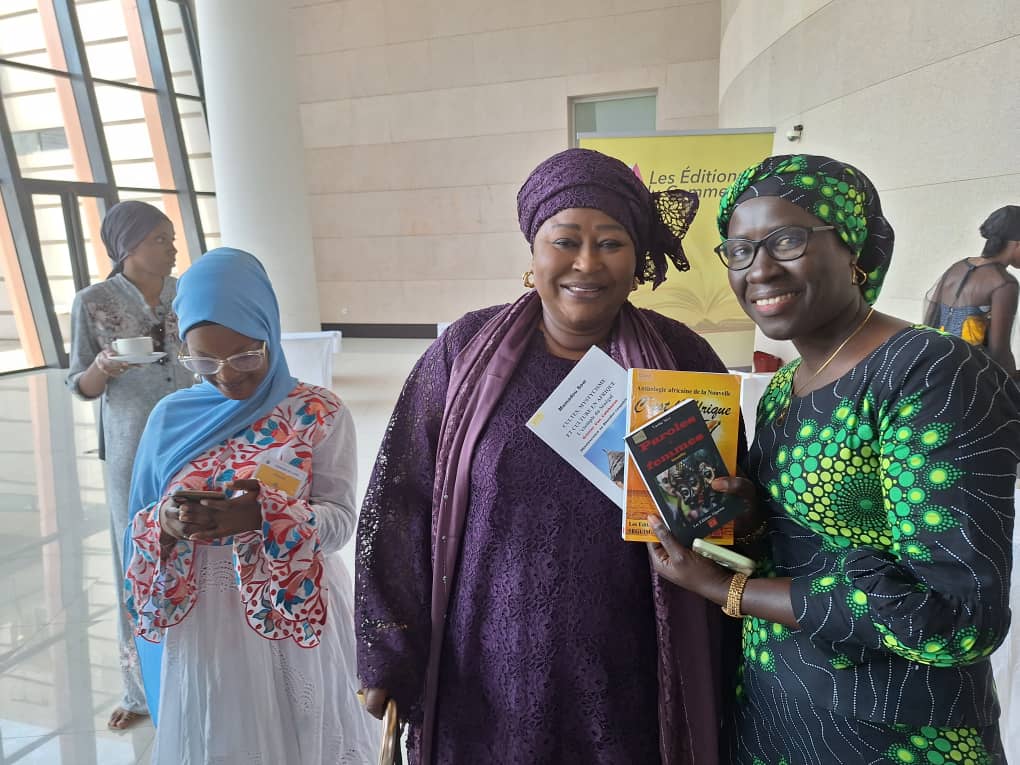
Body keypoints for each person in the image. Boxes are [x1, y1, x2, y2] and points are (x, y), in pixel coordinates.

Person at [355, 147, 740, 765]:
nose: (586, 263)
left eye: (611, 242)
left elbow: (728, 517)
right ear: (533, 251)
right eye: (565, 240)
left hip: (630, 669)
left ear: (637, 257)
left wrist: (733, 505)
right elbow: (400, 501)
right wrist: (387, 650)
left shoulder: (680, 355)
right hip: (481, 670)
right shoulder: (463, 352)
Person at [648, 154, 1020, 764]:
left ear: (854, 249)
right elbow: (807, 542)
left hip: (892, 733)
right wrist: (747, 518)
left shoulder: (932, 372)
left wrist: (728, 589)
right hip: (772, 712)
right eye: (738, 250)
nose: (759, 269)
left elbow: (956, 616)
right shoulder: (786, 384)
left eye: (786, 240)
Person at [124, 248, 378, 763]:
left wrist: (267, 517)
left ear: (270, 331)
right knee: (221, 734)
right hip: (204, 623)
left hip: (288, 612)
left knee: (301, 733)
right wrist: (168, 523)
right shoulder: (169, 417)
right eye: (204, 361)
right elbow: (141, 521)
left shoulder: (315, 412)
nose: (228, 377)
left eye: (245, 356)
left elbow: (341, 521)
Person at [66, 200, 194, 729]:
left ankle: (197, 672)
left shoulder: (182, 290)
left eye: (171, 239)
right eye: (161, 239)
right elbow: (80, 385)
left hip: (188, 432)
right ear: (129, 247)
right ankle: (139, 691)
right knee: (134, 559)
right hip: (131, 443)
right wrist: (105, 364)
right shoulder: (93, 302)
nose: (172, 248)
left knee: (195, 546)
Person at [924, 204, 1020, 374]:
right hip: (969, 375)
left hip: (934, 367)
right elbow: (1000, 351)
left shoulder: (956, 268)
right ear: (1017, 244)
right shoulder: (1004, 283)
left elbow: (930, 320)